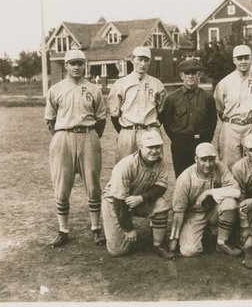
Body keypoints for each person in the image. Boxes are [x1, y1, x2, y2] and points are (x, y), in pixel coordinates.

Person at [44, 49, 107, 247]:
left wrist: (91, 136)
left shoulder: (94, 89)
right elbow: (50, 120)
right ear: (66, 66)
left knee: (94, 185)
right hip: (64, 136)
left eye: (80, 63)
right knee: (61, 187)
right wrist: (63, 136)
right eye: (73, 63)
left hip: (88, 135)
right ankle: (63, 230)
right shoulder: (56, 89)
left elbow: (101, 119)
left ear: (85, 65)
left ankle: (96, 228)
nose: (77, 67)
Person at [101, 130, 174, 259]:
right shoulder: (125, 165)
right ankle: (118, 227)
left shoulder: (160, 163)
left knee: (161, 204)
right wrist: (128, 229)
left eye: (157, 147)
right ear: (140, 147)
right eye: (150, 147)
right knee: (118, 251)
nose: (154, 151)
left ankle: (158, 244)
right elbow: (118, 200)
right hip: (115, 203)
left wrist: (141, 198)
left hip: (138, 199)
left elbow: (161, 187)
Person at [169, 143, 242, 256]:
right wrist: (174, 238)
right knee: (190, 251)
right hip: (194, 215)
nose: (208, 164)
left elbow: (236, 191)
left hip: (214, 210)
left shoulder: (220, 168)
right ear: (196, 159)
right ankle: (203, 232)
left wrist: (209, 192)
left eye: (211, 160)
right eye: (203, 160)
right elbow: (178, 211)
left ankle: (222, 242)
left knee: (230, 203)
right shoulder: (185, 178)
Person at [214, 45, 252, 168]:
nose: (243, 62)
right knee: (229, 165)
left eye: (246, 58)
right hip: (231, 128)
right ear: (234, 60)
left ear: (251, 59)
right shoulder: (225, 83)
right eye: (239, 58)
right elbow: (219, 109)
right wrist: (233, 122)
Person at [107, 46, 167, 162]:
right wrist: (125, 131)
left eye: (146, 60)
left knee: (152, 167)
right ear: (132, 59)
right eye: (140, 59)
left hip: (149, 130)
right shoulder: (121, 83)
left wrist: (153, 128)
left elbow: (162, 111)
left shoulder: (157, 84)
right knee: (126, 167)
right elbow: (114, 114)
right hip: (128, 131)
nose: (143, 64)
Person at [160, 59, 217, 178]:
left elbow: (212, 121)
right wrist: (176, 138)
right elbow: (167, 122)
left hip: (201, 141)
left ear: (198, 75)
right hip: (180, 143)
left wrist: (206, 139)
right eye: (187, 73)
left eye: (193, 73)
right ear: (182, 76)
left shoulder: (207, 98)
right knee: (182, 176)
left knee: (202, 175)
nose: (190, 76)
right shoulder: (172, 98)